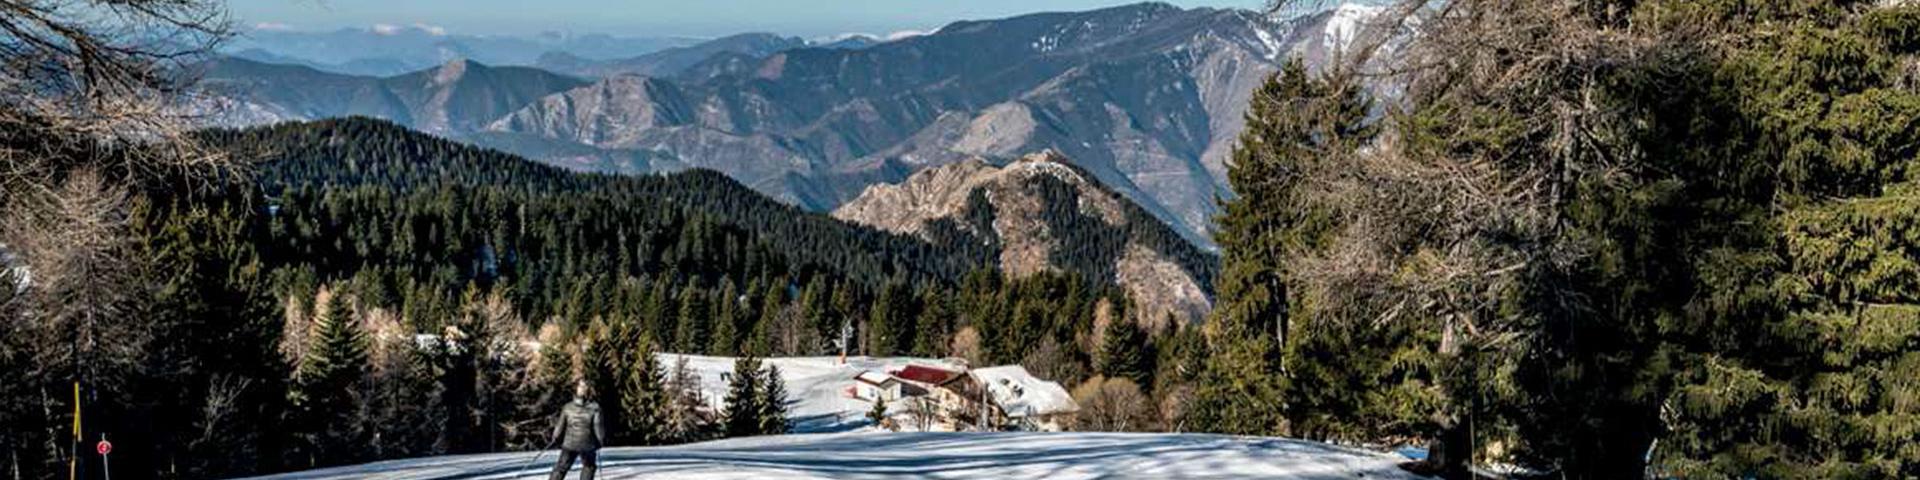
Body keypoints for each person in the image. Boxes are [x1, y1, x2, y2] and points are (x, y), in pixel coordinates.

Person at [548, 380, 606, 480]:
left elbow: (559, 427)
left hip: (569, 444)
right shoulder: (595, 408)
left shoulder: (567, 407)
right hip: (587, 444)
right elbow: (598, 427)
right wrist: (600, 441)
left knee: (561, 468)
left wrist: (555, 438)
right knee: (589, 466)